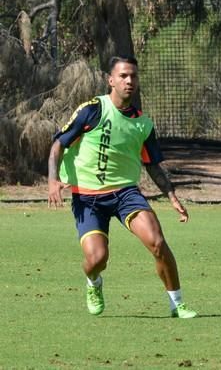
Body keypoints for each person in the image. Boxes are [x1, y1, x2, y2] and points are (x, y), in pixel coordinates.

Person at [47, 55, 197, 318]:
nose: (129, 81)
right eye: (123, 76)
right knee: (97, 259)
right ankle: (94, 282)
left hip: (126, 194)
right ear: (111, 80)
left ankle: (178, 304)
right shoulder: (92, 110)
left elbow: (152, 165)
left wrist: (172, 196)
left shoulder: (144, 124)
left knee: (158, 243)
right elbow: (58, 144)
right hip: (88, 198)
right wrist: (52, 180)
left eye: (133, 76)